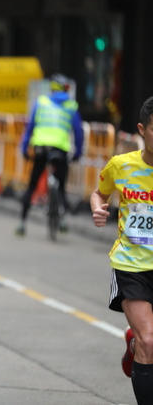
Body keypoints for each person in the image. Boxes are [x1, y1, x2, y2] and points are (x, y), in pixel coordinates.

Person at [91, 96, 153, 405]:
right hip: (132, 264)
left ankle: (133, 347)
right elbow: (98, 193)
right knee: (149, 340)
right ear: (142, 130)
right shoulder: (121, 165)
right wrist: (98, 209)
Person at [16, 74, 84, 236]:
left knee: (32, 185)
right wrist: (78, 152)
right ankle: (62, 220)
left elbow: (29, 128)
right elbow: (79, 132)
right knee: (61, 186)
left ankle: (22, 224)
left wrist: (24, 148)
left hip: (41, 148)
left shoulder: (41, 102)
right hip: (61, 150)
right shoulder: (71, 106)